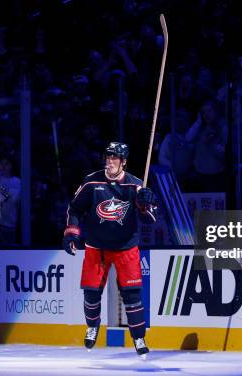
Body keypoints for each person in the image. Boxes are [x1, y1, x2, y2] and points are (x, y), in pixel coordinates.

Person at [62, 142, 157, 357]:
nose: (110, 161)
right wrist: (71, 233)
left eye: (114, 158)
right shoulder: (91, 181)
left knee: (132, 295)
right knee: (91, 292)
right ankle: (93, 326)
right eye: (108, 157)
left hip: (126, 248)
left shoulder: (136, 185)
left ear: (123, 161)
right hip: (97, 247)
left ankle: (139, 337)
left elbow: (150, 219)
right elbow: (75, 208)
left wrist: (144, 204)